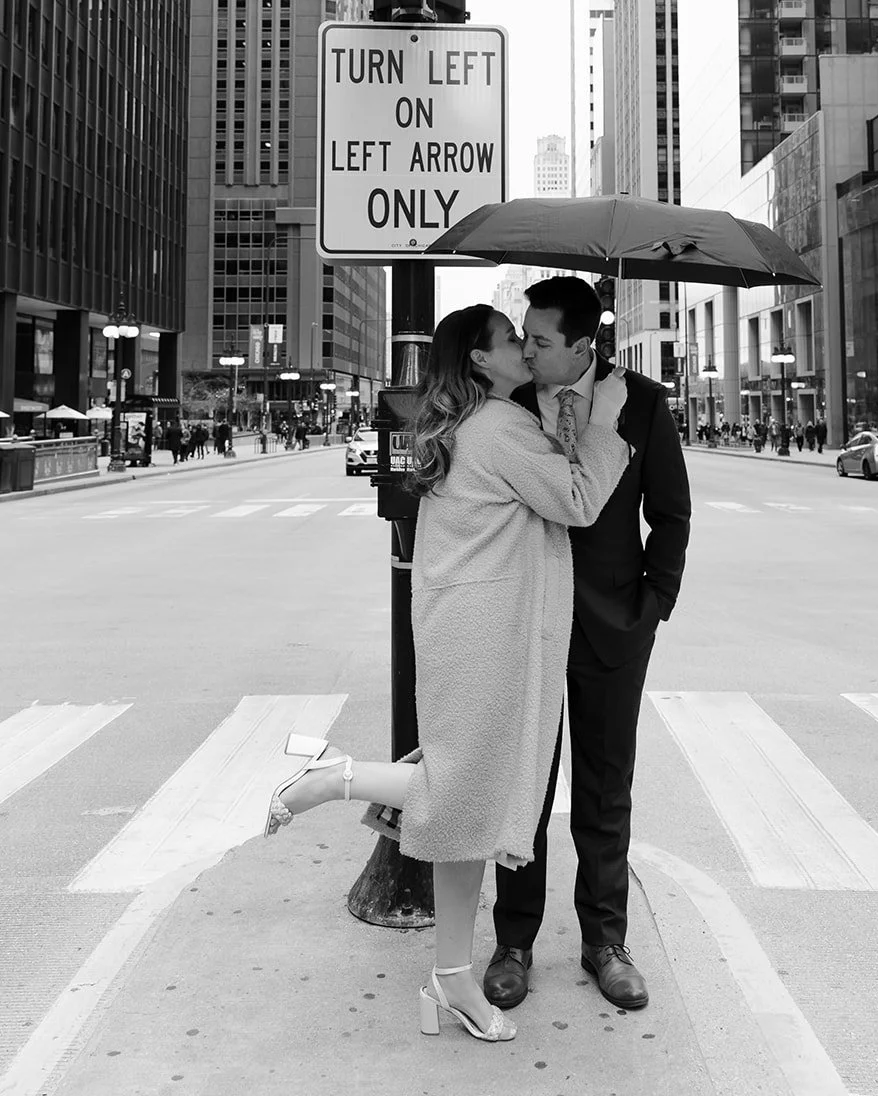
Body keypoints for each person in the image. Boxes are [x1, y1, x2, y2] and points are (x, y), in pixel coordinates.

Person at [262, 304, 629, 1044]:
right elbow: (578, 500)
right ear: (480, 360)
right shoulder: (497, 427)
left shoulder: (476, 423)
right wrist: (603, 421)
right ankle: (335, 778)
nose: (524, 348)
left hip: (468, 623)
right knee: (464, 791)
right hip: (487, 631)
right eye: (511, 340)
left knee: (468, 820)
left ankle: (451, 976)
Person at [484, 276, 691, 1016]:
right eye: (523, 337)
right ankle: (513, 942)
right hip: (528, 620)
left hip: (614, 623)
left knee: (604, 790)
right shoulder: (509, 404)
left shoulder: (641, 403)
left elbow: (671, 512)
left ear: (582, 345)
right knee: (525, 789)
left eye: (540, 340)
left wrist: (653, 606)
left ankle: (606, 942)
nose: (527, 351)